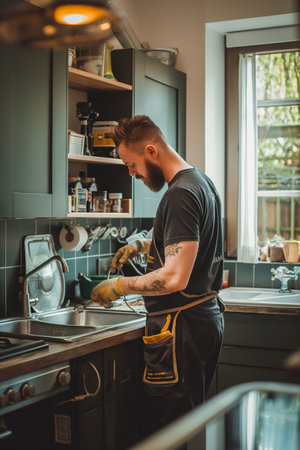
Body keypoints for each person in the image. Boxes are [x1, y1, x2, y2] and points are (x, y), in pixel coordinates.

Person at [91, 115, 225, 433]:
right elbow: (190, 242)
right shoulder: (200, 182)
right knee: (187, 427)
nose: (132, 173)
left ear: (151, 151)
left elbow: (175, 277)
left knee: (171, 431)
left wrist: (121, 285)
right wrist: (143, 244)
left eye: (132, 164)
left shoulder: (179, 195)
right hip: (202, 321)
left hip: (181, 332)